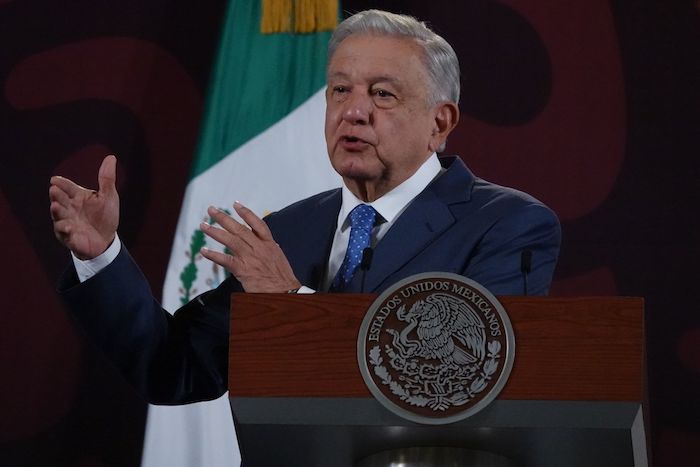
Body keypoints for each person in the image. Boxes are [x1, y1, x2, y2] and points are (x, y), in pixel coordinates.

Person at [49, 10, 560, 404]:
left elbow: (467, 379)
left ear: (440, 123)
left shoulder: (507, 225)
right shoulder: (289, 230)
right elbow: (174, 368)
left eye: (381, 94)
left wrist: (290, 299)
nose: (352, 112)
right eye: (340, 90)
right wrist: (102, 258)